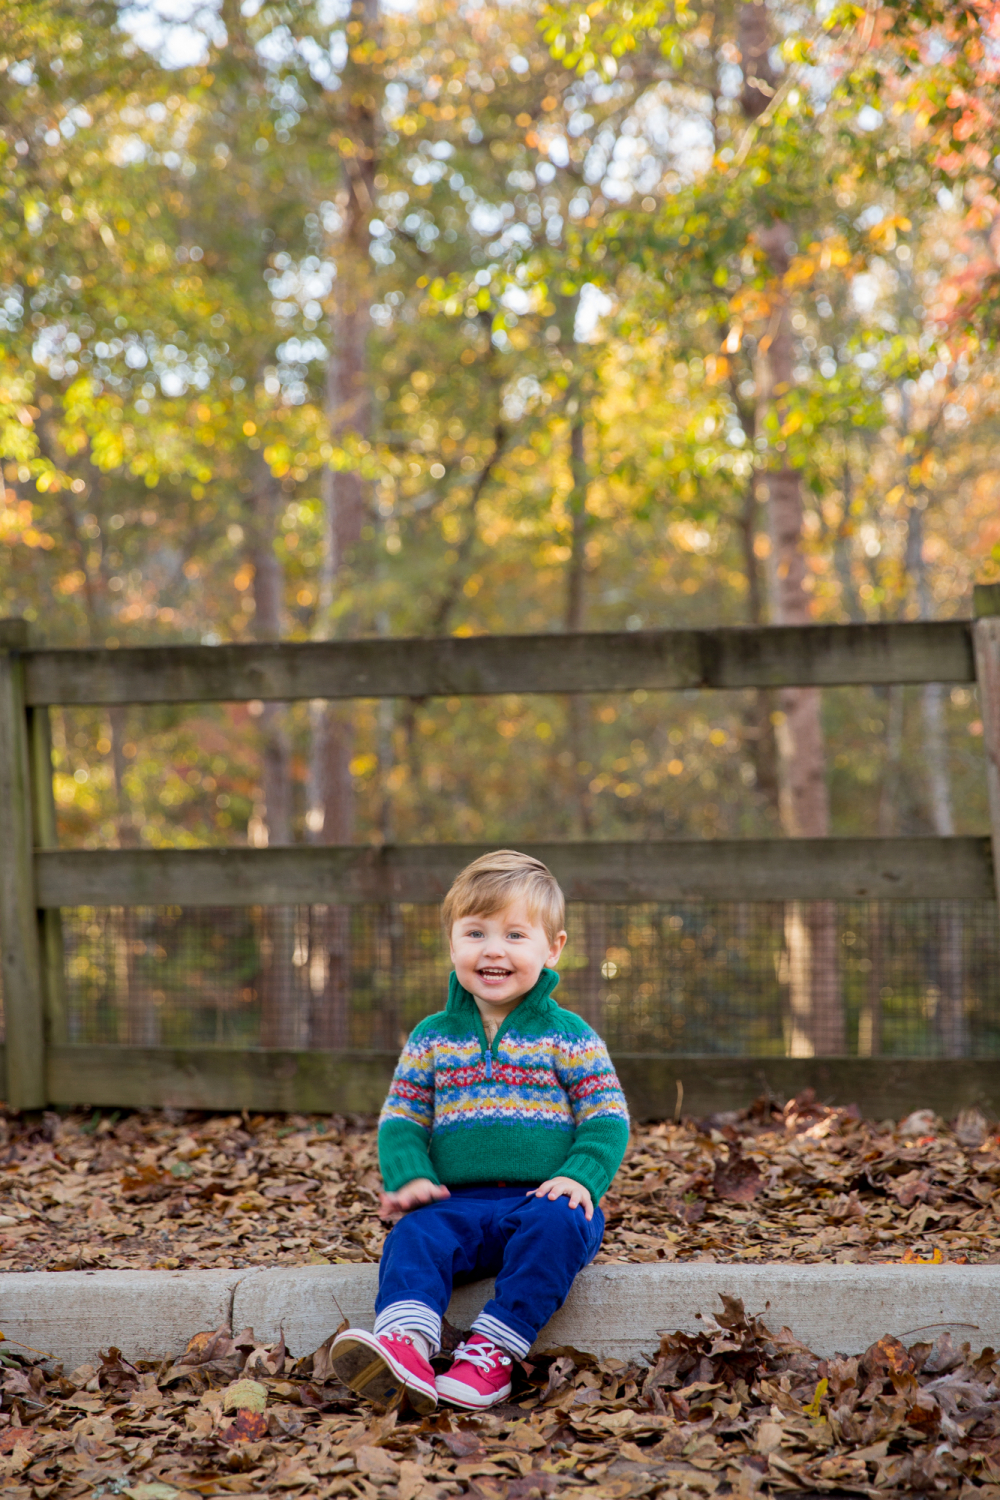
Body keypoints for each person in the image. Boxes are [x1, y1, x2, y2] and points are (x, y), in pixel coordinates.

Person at [329, 849, 630, 1412]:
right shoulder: (433, 1037)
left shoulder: (568, 1035)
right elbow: (403, 1118)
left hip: (541, 1198)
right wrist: (410, 1175)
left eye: (516, 935)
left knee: (559, 1225)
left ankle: (491, 1350)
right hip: (458, 1203)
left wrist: (579, 1178)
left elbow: (606, 1116)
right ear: (452, 943)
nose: (493, 949)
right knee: (415, 1235)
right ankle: (405, 1345)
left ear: (552, 947)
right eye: (476, 933)